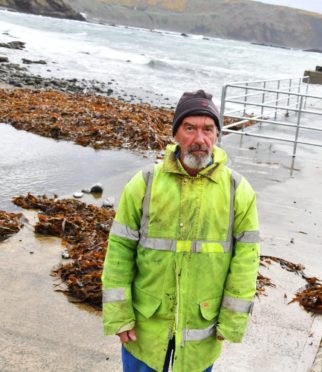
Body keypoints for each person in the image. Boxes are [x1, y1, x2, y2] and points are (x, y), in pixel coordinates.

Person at [102, 90, 260, 372]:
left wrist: (232, 320)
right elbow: (119, 252)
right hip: (145, 326)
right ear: (175, 133)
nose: (199, 140)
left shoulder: (238, 191)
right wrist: (119, 315)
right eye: (190, 128)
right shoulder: (145, 183)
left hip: (202, 326)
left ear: (217, 135)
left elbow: (246, 261)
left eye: (208, 129)